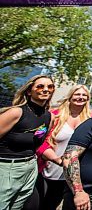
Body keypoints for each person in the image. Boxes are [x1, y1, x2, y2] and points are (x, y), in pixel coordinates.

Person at [36, 85, 92, 210]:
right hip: (50, 170)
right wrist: (58, 160)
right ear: (70, 96)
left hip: (75, 175)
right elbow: (40, 142)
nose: (80, 97)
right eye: (77, 94)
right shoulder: (54, 114)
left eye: (84, 95)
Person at [0, 75, 54, 210]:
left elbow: (38, 143)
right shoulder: (16, 112)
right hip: (6, 168)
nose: (46, 90)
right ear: (29, 91)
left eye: (50, 87)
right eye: (40, 86)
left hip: (30, 167)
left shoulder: (50, 117)